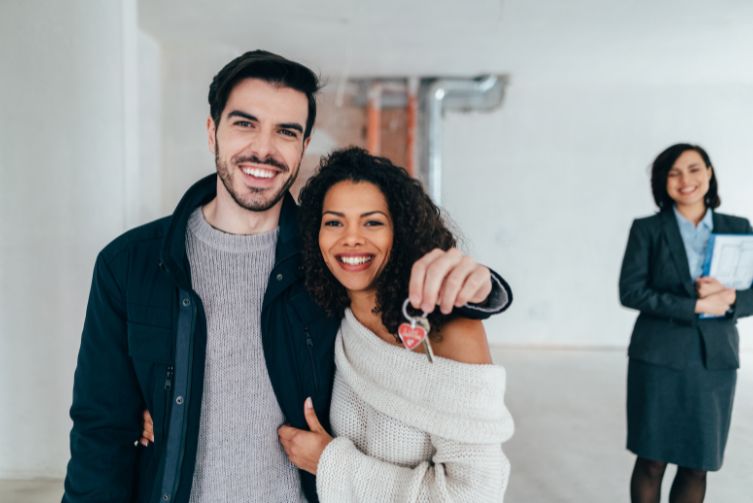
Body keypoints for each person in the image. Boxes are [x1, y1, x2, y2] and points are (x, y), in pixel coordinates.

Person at [62, 50, 512, 503]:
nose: (264, 148)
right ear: (211, 130)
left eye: (286, 132)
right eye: (245, 123)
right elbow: (101, 430)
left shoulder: (327, 262)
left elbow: (405, 274)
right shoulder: (130, 266)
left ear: (303, 144)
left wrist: (482, 286)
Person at [275, 147, 514, 502]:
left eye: (372, 222)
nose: (351, 238)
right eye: (334, 222)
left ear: (400, 232)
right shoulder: (334, 318)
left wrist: (330, 463)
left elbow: (475, 493)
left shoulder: (450, 332)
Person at [619, 143, 753, 503]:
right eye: (674, 172)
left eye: (694, 169)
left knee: (697, 463)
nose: (685, 180)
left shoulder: (738, 228)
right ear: (663, 182)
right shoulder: (647, 229)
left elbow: (751, 292)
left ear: (709, 173)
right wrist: (694, 304)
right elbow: (631, 292)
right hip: (658, 357)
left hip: (714, 361)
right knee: (652, 460)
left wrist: (730, 299)